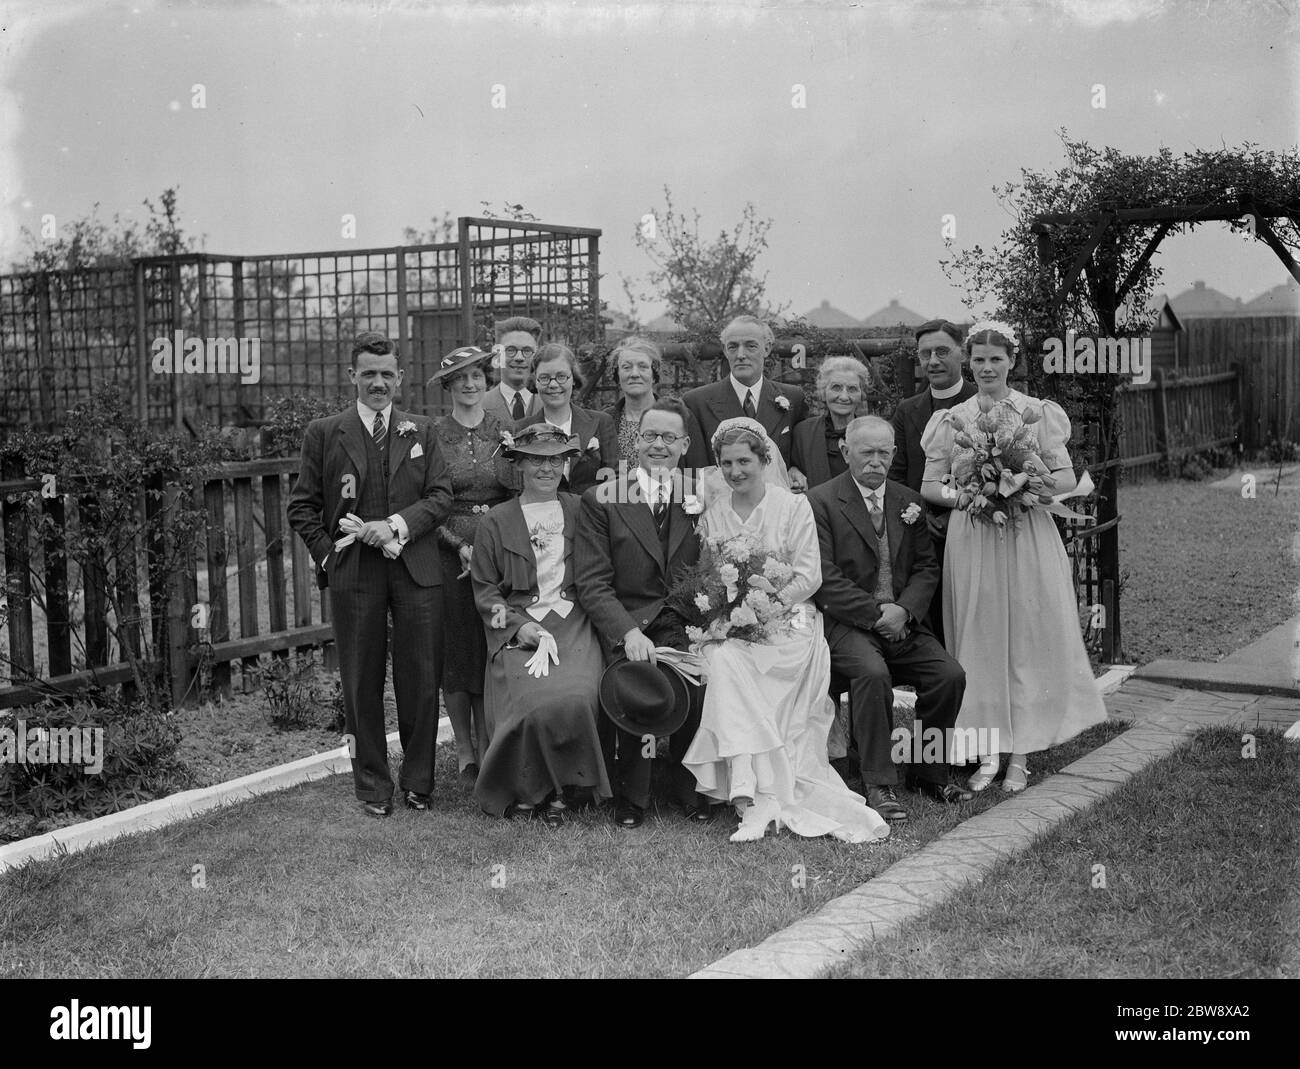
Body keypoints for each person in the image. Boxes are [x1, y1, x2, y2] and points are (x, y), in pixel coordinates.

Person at [681, 418, 891, 844]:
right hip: (736, 622)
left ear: (764, 460)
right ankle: (746, 794)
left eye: (745, 461)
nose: (736, 471)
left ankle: (749, 792)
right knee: (722, 657)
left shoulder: (793, 507)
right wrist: (732, 613)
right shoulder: (713, 517)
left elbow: (809, 576)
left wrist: (766, 607)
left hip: (791, 619)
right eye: (727, 463)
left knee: (733, 659)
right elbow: (707, 580)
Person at [920, 321, 1107, 793]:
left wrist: (1032, 484)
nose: (986, 368)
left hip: (1026, 533)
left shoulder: (1036, 412)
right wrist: (965, 494)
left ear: (1012, 361)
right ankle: (987, 753)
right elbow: (929, 485)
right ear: (969, 363)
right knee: (980, 640)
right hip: (975, 535)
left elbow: (1064, 477)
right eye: (978, 360)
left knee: (1024, 638)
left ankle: (1020, 755)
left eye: (995, 359)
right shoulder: (952, 419)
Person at [286, 331, 453, 818]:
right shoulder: (324, 432)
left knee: (420, 677)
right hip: (354, 573)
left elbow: (440, 497)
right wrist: (330, 556)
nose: (378, 383)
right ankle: (373, 786)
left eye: (386, 374)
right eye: (368, 374)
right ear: (351, 376)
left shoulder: (421, 431)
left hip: (416, 569)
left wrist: (394, 525)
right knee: (361, 681)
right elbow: (302, 507)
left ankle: (419, 782)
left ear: (400, 378)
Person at [808, 416, 970, 823]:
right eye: (866, 452)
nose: (876, 462)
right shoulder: (821, 502)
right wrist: (877, 615)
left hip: (902, 623)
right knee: (872, 673)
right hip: (848, 625)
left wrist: (904, 610)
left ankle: (928, 772)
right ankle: (878, 782)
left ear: (895, 454)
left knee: (948, 675)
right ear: (846, 452)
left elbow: (926, 568)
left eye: (884, 453)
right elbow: (824, 577)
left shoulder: (906, 500)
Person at [575, 398, 711, 829]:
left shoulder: (700, 494)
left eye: (669, 437)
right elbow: (593, 583)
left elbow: (713, 566)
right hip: (629, 617)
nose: (658, 445)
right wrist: (627, 633)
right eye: (650, 436)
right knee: (639, 679)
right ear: (635, 440)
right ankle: (632, 794)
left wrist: (706, 626)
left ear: (685, 444)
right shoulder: (603, 498)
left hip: (685, 618)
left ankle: (689, 784)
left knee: (705, 678)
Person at [470, 424, 612, 824]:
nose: (546, 469)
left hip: (574, 623)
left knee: (577, 695)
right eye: (536, 460)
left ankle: (571, 788)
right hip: (523, 628)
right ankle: (529, 788)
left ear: (566, 464)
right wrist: (517, 628)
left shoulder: (583, 508)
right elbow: (486, 594)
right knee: (530, 702)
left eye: (555, 459)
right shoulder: (495, 522)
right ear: (519, 465)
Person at [427, 345, 514, 788]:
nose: (469, 384)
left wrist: (496, 546)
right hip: (449, 551)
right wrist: (457, 544)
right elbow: (428, 498)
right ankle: (464, 749)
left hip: (498, 546)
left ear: (486, 380)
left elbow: (517, 488)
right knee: (457, 650)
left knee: (491, 644)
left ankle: (493, 739)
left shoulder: (504, 429)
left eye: (476, 376)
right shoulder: (434, 434)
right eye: (459, 378)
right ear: (447, 386)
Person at [889, 319, 978, 645]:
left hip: (974, 526)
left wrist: (955, 513)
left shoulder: (981, 402)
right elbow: (897, 475)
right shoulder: (908, 409)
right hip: (926, 532)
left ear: (962, 354)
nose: (934, 361)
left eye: (943, 351)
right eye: (925, 354)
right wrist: (923, 517)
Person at [682, 315, 807, 480]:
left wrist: (795, 469)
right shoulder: (696, 402)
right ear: (725, 351)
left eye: (751, 346)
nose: (741, 354)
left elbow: (800, 456)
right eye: (733, 347)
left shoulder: (793, 398)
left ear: (767, 348)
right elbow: (695, 473)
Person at [517, 343, 618, 496]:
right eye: (544, 378)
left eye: (561, 376)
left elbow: (615, 481)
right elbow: (517, 486)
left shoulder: (602, 422)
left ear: (573, 379)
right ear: (535, 382)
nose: (553, 384)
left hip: (591, 515)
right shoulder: (520, 429)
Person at [791, 355, 876, 491]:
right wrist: (792, 471)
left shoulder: (874, 433)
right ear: (823, 392)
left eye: (852, 389)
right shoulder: (803, 432)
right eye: (836, 388)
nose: (843, 396)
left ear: (862, 395)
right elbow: (790, 466)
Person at [603, 336, 661, 472]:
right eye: (627, 367)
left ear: (654, 375)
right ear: (617, 376)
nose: (635, 374)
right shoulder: (605, 420)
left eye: (643, 367)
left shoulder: (676, 416)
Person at [482, 316, 543, 427]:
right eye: (510, 350)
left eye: (527, 350)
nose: (519, 358)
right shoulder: (480, 405)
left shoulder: (549, 404)